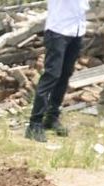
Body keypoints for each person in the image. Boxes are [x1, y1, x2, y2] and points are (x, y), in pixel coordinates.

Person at [25, 0, 89, 142]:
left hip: (77, 29)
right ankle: (35, 122)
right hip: (58, 30)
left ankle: (52, 117)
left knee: (65, 75)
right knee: (52, 75)